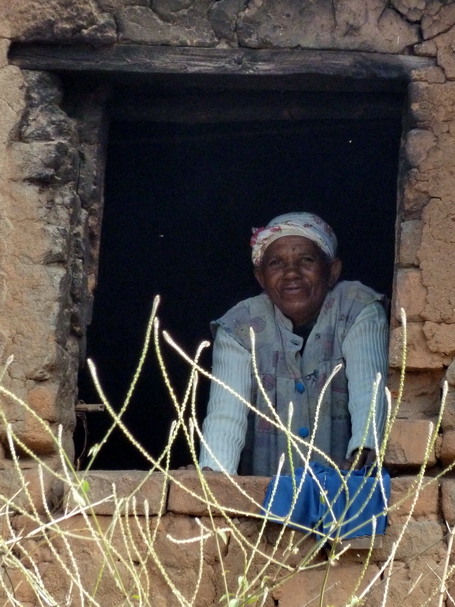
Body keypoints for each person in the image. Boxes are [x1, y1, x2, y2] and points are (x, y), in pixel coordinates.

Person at [198, 212, 389, 477]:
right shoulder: (240, 325)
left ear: (332, 271)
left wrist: (366, 445)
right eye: (276, 263)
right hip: (266, 498)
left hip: (346, 492)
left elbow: (369, 384)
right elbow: (226, 414)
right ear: (261, 278)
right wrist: (213, 478)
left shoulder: (358, 306)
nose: (291, 274)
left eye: (306, 260)